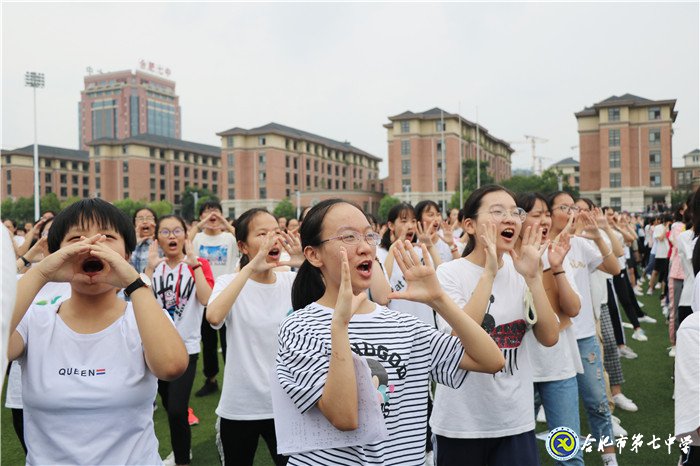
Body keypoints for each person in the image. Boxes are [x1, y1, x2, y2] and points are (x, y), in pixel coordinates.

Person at [275, 199, 504, 465]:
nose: (365, 247)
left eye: (369, 235)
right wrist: (339, 327)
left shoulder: (403, 326)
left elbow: (492, 360)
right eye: (348, 237)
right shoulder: (299, 327)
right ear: (314, 255)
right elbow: (345, 417)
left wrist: (439, 298)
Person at [7, 198, 189, 465]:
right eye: (77, 238)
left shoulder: (144, 318)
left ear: (126, 254)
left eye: (106, 237)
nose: (91, 245)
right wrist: (42, 272)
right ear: (56, 253)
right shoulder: (34, 321)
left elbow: (171, 366)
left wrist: (133, 283)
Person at [430, 185, 559, 466]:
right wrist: (489, 272)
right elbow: (456, 340)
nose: (510, 219)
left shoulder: (523, 270)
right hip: (460, 424)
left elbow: (549, 337)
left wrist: (534, 278)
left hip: (514, 421)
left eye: (515, 212)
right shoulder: (449, 273)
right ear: (470, 225)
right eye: (498, 212)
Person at [207, 208, 303, 466]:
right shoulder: (228, 282)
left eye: (275, 232)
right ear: (243, 245)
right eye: (262, 234)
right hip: (239, 407)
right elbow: (214, 317)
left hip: (286, 405)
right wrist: (249, 270)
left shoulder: (292, 282)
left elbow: (327, 312)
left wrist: (304, 266)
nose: (272, 239)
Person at [549, 192, 622, 466]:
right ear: (549, 212)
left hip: (583, 337)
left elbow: (614, 267)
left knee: (597, 402)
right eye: (564, 207)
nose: (571, 213)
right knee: (537, 405)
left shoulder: (580, 244)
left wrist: (597, 234)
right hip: (550, 339)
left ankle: (609, 458)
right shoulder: (540, 246)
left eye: (574, 208)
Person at [516, 192, 584, 466]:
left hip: (558, 367)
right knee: (518, 453)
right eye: (536, 214)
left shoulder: (556, 252)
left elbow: (574, 308)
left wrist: (556, 268)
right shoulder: (505, 259)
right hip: (518, 370)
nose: (544, 220)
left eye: (547, 214)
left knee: (569, 455)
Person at [147, 214, 214, 466]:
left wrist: (195, 264)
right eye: (165, 232)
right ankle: (181, 449)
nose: (172, 236)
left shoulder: (198, 264)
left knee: (177, 409)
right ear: (158, 239)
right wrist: (151, 267)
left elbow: (207, 300)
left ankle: (182, 460)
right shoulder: (156, 266)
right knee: (170, 408)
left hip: (186, 349)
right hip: (156, 348)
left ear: (186, 236)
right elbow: (139, 298)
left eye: (177, 231)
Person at [190, 200, 238, 397]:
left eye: (216, 212)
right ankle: (211, 379)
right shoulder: (198, 238)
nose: (212, 216)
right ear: (200, 216)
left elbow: (241, 236)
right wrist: (202, 224)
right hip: (204, 297)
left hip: (227, 295)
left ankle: (234, 379)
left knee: (230, 341)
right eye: (208, 212)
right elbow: (186, 239)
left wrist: (224, 222)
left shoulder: (229, 237)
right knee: (208, 343)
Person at [130, 207, 158, 273]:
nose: (145, 222)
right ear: (134, 224)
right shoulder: (128, 246)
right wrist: (135, 244)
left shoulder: (163, 243)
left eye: (149, 218)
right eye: (140, 219)